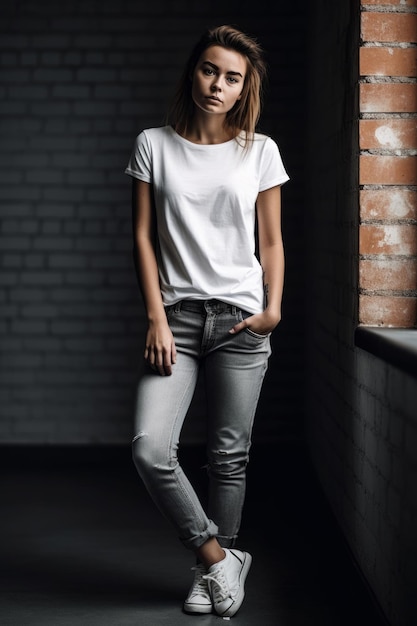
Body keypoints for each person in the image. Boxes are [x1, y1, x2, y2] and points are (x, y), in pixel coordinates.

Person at [125, 24, 289, 618]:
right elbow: (142, 238)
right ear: (192, 71)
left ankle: (209, 574)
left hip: (243, 321)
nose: (217, 85)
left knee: (228, 456)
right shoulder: (153, 144)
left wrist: (273, 307)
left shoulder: (259, 149)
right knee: (150, 448)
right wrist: (156, 319)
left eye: (232, 77)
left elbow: (270, 240)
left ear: (244, 88)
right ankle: (220, 558)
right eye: (208, 70)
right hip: (178, 320)